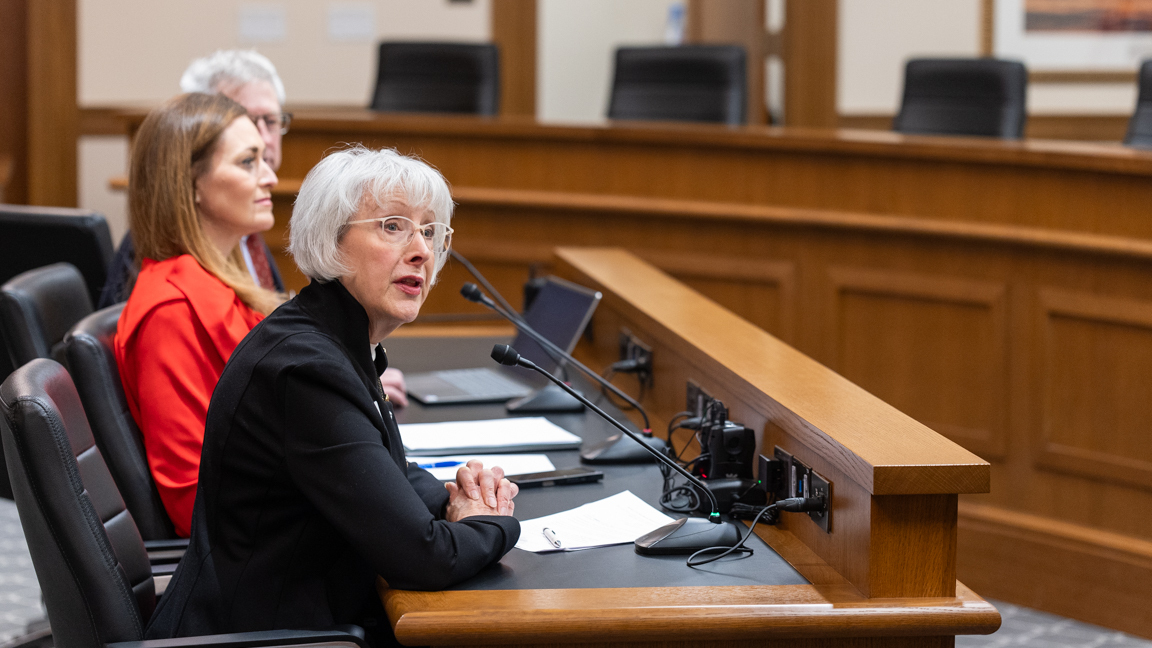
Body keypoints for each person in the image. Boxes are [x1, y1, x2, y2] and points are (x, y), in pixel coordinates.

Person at [144, 146, 520, 645]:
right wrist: (493, 522)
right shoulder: (305, 368)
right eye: (393, 227)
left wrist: (458, 495)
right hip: (271, 636)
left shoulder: (328, 338)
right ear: (332, 239)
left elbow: (375, 468)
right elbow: (425, 559)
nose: (421, 251)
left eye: (430, 232)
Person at [114, 93, 284, 537]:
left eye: (264, 159)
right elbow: (194, 500)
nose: (270, 177)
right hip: (254, 561)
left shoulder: (222, 283)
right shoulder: (170, 312)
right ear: (190, 183)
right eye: (248, 162)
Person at [99, 49, 287, 308]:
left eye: (271, 120)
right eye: (246, 119)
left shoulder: (240, 227)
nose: (264, 138)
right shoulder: (167, 289)